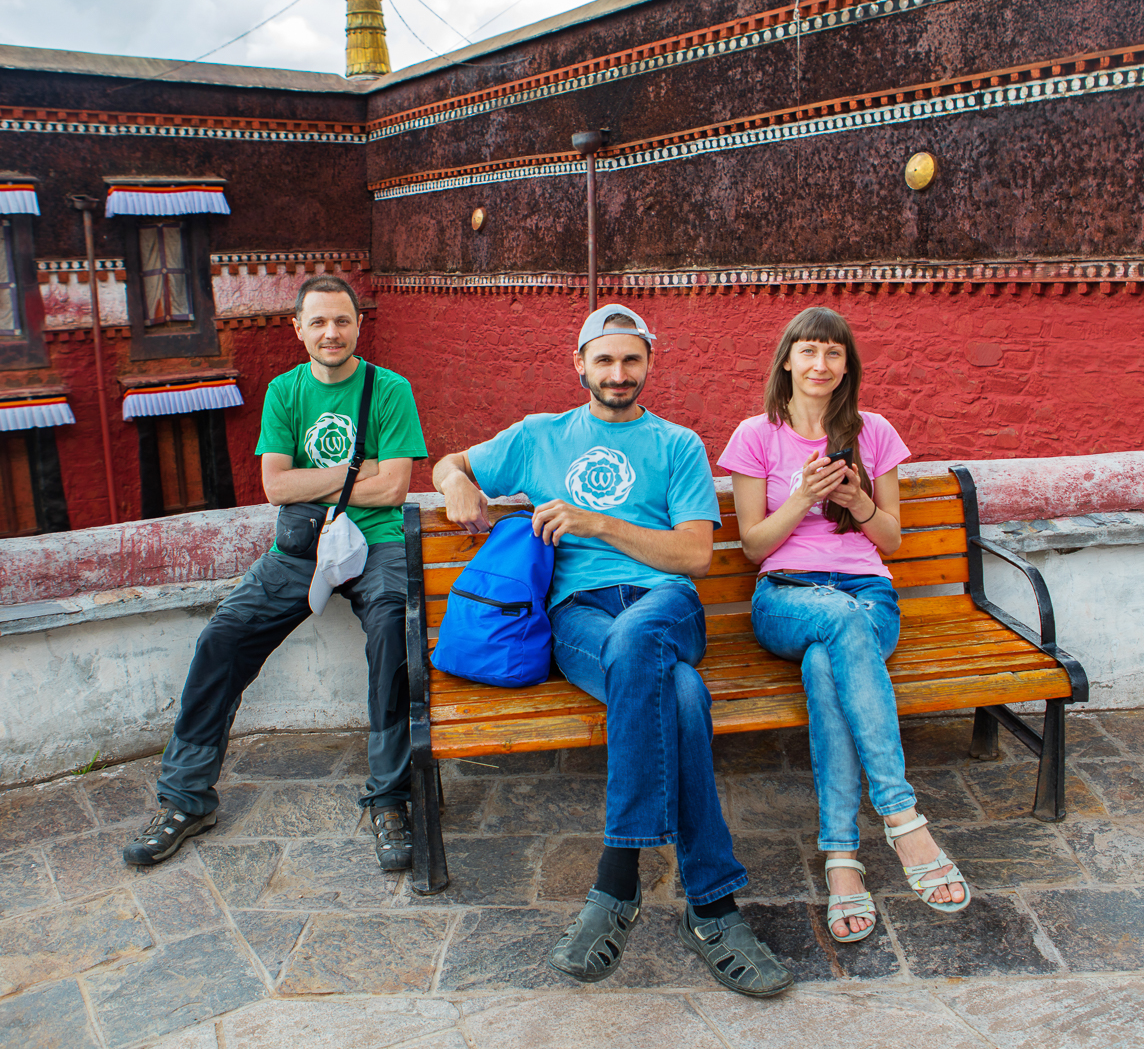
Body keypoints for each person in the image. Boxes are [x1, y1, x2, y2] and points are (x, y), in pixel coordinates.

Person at [431, 304, 793, 997]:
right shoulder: (539, 436)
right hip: (579, 616)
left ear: (650, 363)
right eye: (604, 359)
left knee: (638, 642)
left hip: (666, 605)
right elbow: (450, 463)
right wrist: (456, 485)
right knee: (682, 693)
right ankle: (713, 909)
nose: (618, 373)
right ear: (580, 364)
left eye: (631, 359)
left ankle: (617, 881)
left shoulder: (677, 445)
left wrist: (597, 522)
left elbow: (693, 556)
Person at [124, 275, 428, 871]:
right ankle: (186, 798)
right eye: (318, 322)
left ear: (358, 325)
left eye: (341, 320)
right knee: (224, 635)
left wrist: (318, 481)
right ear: (298, 329)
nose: (331, 332)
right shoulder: (285, 392)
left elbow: (394, 488)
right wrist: (356, 470)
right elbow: (274, 487)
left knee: (394, 634)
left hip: (379, 543)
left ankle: (391, 799)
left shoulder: (390, 389)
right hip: (300, 549)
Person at [718, 306, 970, 941]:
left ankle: (840, 858)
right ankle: (902, 816)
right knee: (837, 620)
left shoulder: (873, 431)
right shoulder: (756, 435)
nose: (820, 363)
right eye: (808, 350)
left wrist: (856, 500)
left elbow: (892, 540)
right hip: (787, 596)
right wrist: (804, 496)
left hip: (866, 595)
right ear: (787, 361)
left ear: (847, 366)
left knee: (826, 661)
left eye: (833, 352)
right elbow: (753, 546)